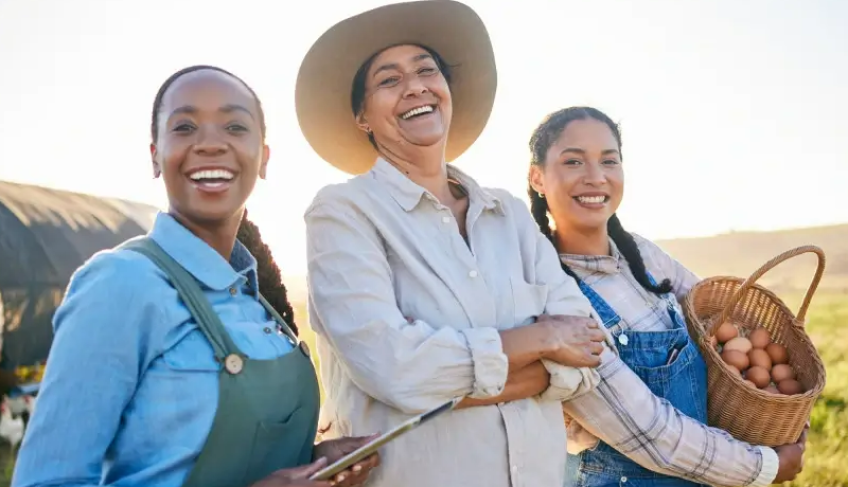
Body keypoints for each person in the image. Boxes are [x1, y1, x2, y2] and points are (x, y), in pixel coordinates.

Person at [12, 65, 380, 487]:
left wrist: (314, 460)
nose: (210, 144)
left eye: (234, 126)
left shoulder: (257, 302)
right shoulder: (122, 283)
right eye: (185, 127)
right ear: (155, 155)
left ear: (263, 157)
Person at [294, 1, 612, 486]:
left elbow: (591, 351)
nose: (416, 85)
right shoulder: (345, 213)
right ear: (362, 116)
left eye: (427, 70)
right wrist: (543, 340)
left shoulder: (508, 214)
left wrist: (442, 387)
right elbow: (393, 368)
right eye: (388, 79)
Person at [525, 106, 809, 487]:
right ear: (538, 177)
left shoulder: (640, 255)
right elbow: (652, 435)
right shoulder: (554, 298)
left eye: (609, 161)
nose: (596, 177)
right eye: (573, 161)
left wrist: (778, 400)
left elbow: (720, 315)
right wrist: (764, 466)